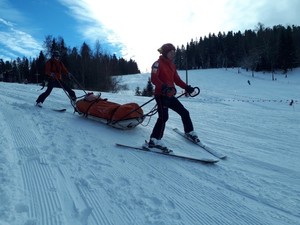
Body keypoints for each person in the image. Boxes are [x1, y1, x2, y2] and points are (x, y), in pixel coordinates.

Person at [148, 43, 198, 150]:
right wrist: (164, 87)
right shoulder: (157, 64)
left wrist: (187, 87)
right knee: (163, 117)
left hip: (170, 95)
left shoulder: (172, 65)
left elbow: (177, 80)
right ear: (165, 53)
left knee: (184, 112)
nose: (173, 54)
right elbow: (154, 78)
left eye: (174, 52)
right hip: (161, 95)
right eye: (171, 52)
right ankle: (154, 140)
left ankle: (189, 131)